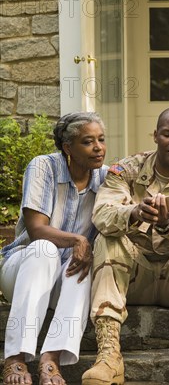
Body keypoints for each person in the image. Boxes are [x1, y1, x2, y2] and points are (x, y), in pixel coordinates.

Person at [81, 107, 169, 385]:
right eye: (168, 134)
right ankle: (109, 355)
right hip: (134, 276)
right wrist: (134, 213)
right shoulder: (126, 170)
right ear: (156, 135)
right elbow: (103, 215)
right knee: (108, 236)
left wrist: (167, 224)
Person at [0, 112, 108, 385]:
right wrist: (78, 240)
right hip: (24, 269)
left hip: (62, 279)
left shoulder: (106, 179)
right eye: (88, 141)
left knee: (82, 265)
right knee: (45, 250)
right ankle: (15, 357)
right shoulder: (43, 167)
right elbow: (37, 229)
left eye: (101, 140)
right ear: (68, 148)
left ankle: (51, 358)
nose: (98, 147)